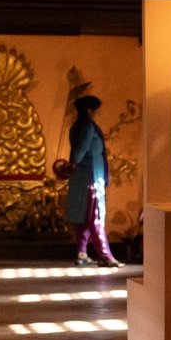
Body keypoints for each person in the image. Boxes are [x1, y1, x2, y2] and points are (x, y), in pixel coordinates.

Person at [65, 94, 122, 267]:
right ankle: (105, 256)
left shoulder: (76, 127)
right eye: (97, 111)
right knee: (95, 216)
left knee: (84, 216)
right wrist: (74, 162)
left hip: (83, 177)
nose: (98, 114)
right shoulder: (88, 127)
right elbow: (80, 150)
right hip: (89, 179)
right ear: (90, 111)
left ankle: (82, 252)